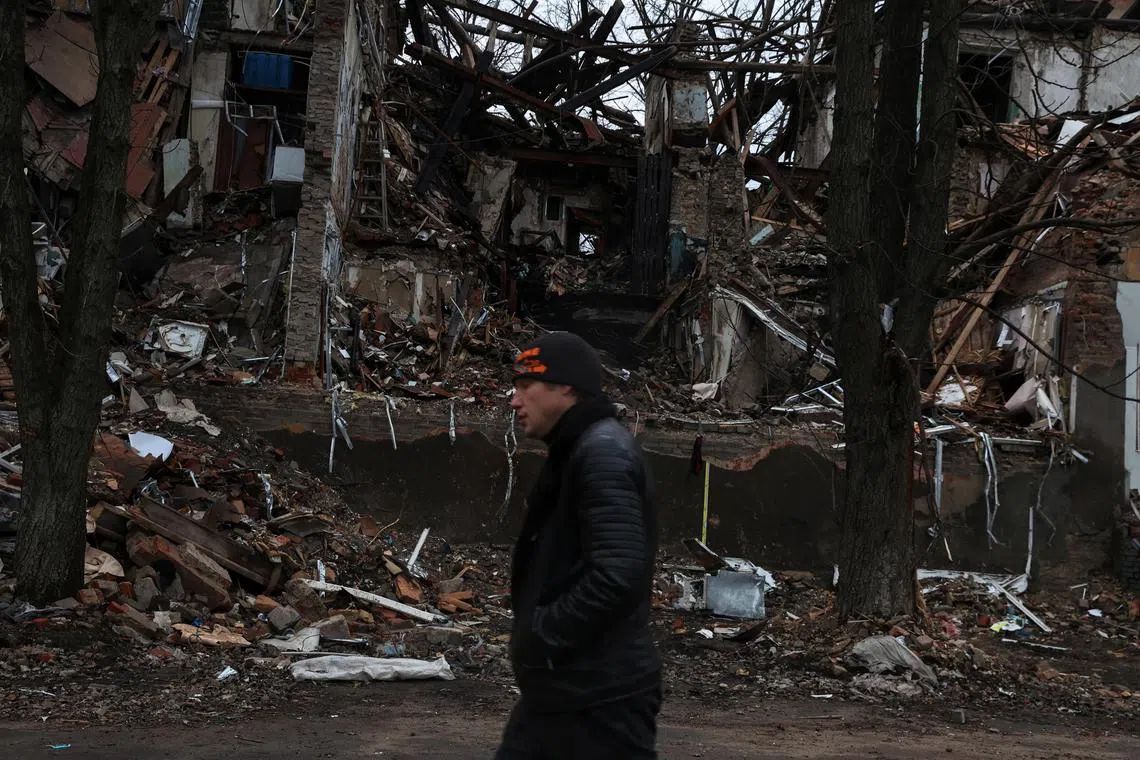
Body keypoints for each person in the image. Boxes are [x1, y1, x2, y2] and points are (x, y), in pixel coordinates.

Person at [495, 331, 661, 760]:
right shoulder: (579, 449)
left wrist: (542, 632)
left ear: (564, 387)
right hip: (566, 692)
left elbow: (618, 573)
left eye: (524, 386)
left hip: (598, 697)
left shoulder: (601, 454)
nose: (514, 401)